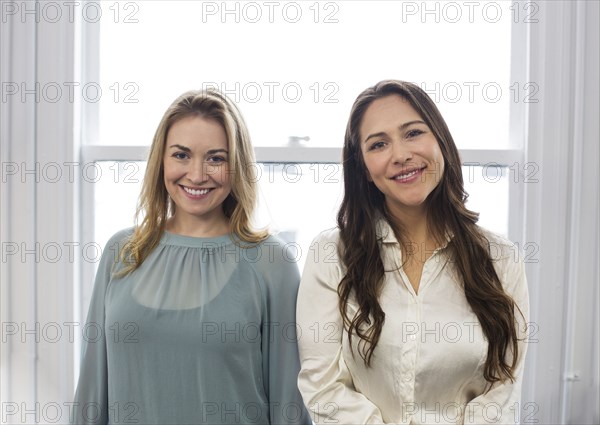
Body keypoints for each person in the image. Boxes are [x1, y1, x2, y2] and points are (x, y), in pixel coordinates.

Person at [72, 89, 311, 424]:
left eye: (216, 158)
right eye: (181, 155)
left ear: (237, 165)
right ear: (161, 160)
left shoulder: (271, 262)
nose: (197, 175)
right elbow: (90, 398)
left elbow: (289, 408)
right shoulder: (121, 252)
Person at [297, 80, 529, 424]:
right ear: (363, 167)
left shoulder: (502, 258)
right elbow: (323, 387)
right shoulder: (330, 254)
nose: (401, 155)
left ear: (440, 141)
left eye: (413, 133)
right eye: (378, 144)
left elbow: (502, 393)